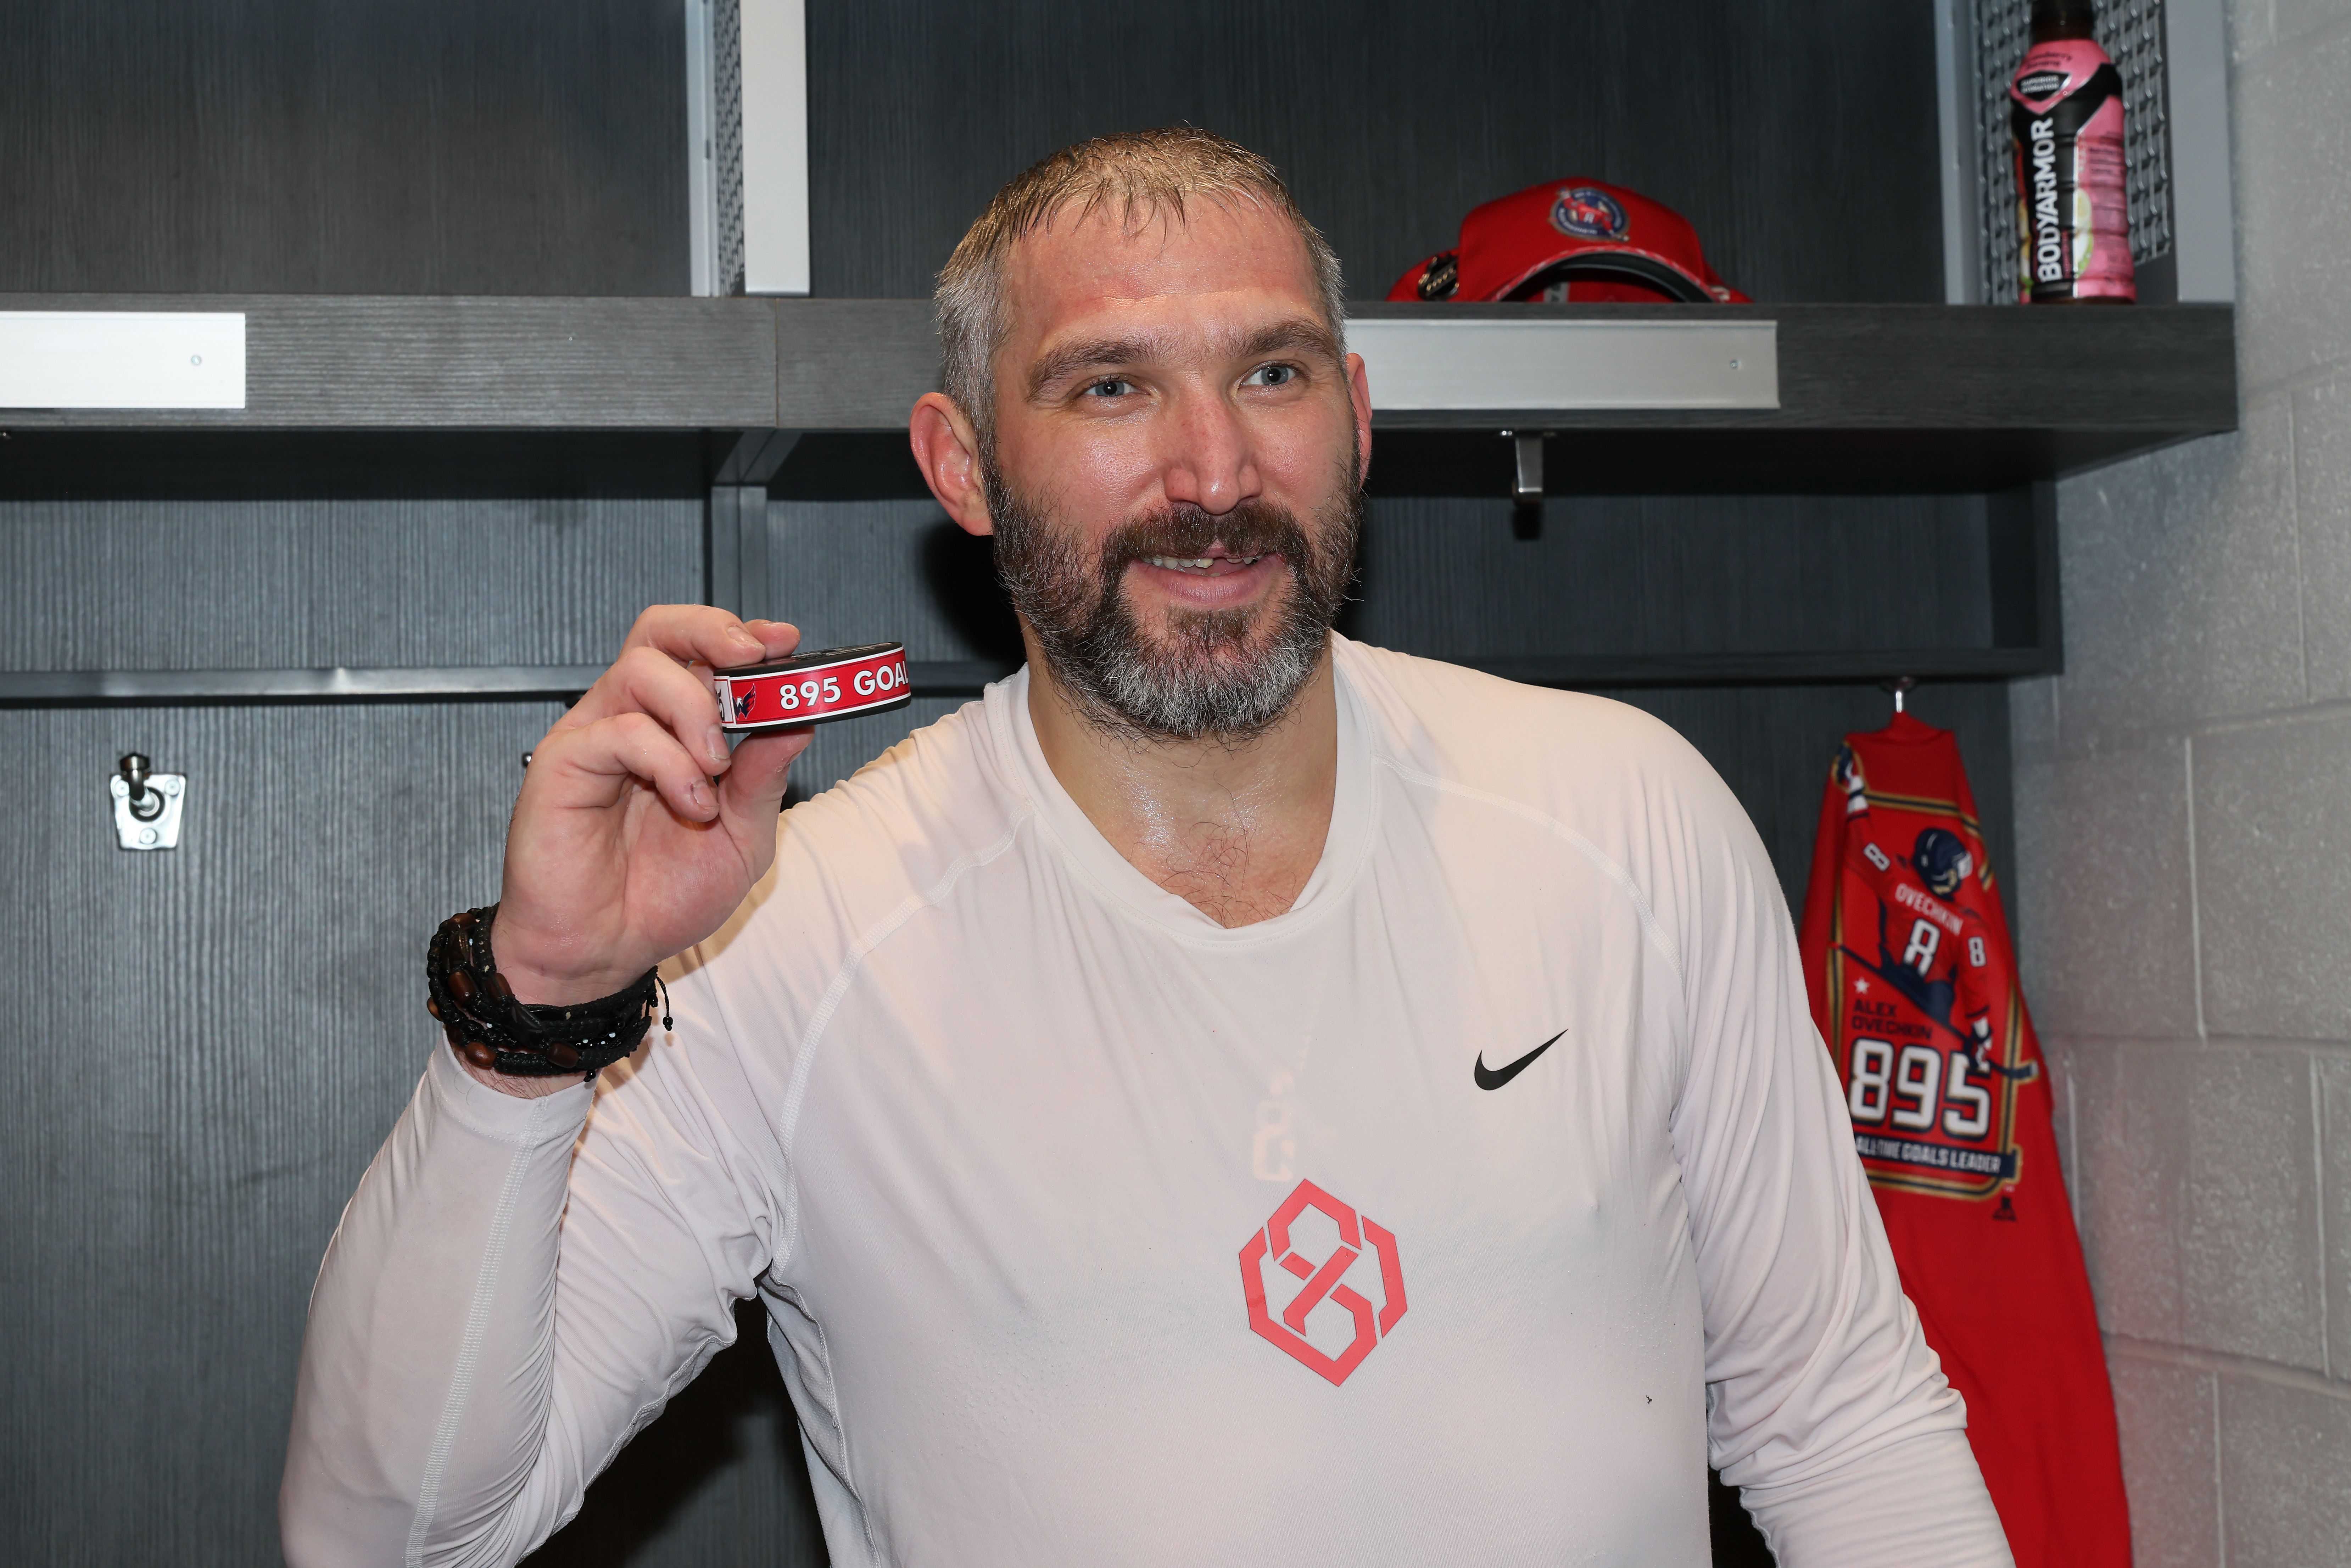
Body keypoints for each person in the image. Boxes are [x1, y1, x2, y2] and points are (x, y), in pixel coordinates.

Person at [280, 129, 2011, 1567]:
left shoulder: (1625, 814)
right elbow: (403, 1536)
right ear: (960, 465)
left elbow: (1838, 1418)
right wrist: (537, 1008)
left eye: (1267, 372)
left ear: (1352, 412)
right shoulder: (788, 935)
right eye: (1111, 387)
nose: (1210, 470)